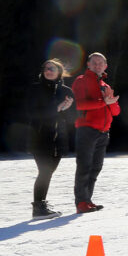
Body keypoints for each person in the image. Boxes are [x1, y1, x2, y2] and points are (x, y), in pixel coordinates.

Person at [71, 52, 120, 213]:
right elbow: (78, 105)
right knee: (84, 167)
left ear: (106, 66)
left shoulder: (105, 86)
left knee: (95, 168)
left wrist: (110, 103)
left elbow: (115, 111)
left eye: (101, 63)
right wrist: (103, 102)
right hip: (87, 130)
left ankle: (87, 200)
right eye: (94, 62)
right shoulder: (81, 81)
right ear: (88, 65)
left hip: (103, 132)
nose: (98, 65)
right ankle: (81, 203)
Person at [25, 59, 75, 219]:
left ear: (59, 72)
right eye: (46, 68)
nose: (49, 70)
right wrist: (57, 108)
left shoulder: (67, 91)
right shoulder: (35, 89)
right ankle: (38, 208)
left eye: (53, 68)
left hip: (59, 138)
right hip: (39, 137)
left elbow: (72, 117)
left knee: (48, 172)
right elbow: (33, 113)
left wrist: (67, 108)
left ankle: (41, 204)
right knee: (45, 171)